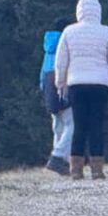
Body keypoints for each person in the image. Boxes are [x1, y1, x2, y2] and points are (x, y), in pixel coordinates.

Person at [54, 0, 108, 180]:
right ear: (98, 11)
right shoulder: (107, 32)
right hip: (100, 84)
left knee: (79, 125)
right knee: (97, 125)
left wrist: (60, 82)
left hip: (76, 83)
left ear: (79, 11)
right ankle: (97, 169)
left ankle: (76, 169)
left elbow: (60, 61)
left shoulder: (69, 31)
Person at [39, 24, 73, 175]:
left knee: (57, 125)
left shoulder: (48, 48)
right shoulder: (65, 43)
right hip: (62, 83)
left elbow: (42, 74)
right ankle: (58, 157)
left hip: (48, 85)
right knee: (72, 124)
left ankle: (61, 161)